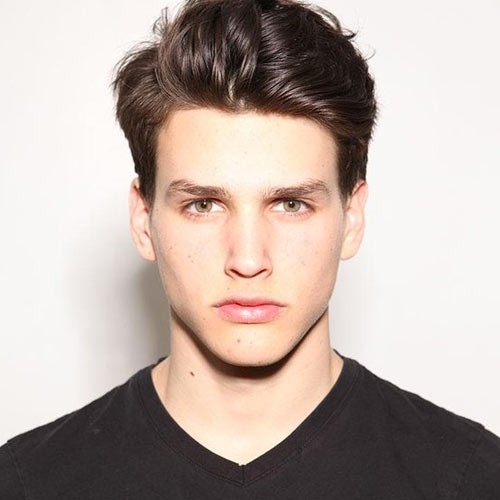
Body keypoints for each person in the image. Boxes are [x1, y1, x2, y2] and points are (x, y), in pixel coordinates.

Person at [1, 0, 499, 498]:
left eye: (290, 204)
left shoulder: (472, 479)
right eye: (203, 205)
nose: (247, 259)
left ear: (352, 218)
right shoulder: (27, 483)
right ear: (142, 220)